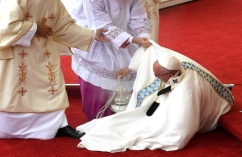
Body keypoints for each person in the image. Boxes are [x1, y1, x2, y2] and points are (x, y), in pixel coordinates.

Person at [0, 0, 108, 139]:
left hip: (44, 54)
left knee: (51, 88)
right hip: (16, 56)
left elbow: (63, 27)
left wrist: (92, 34)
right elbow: (4, 27)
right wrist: (34, 28)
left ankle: (57, 126)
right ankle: (10, 130)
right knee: (13, 93)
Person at [75, 40, 234, 152]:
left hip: (215, 111)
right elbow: (149, 50)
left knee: (147, 127)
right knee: (137, 119)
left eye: (158, 76)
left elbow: (183, 130)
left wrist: (163, 132)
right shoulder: (172, 61)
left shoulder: (186, 91)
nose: (156, 78)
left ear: (169, 73)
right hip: (191, 98)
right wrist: (129, 69)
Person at [71, 0, 152, 121]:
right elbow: (103, 27)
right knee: (99, 87)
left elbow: (139, 18)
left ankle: (122, 122)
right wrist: (133, 40)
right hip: (98, 40)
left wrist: (143, 37)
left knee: (129, 70)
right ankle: (97, 122)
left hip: (127, 38)